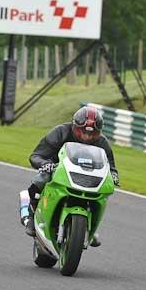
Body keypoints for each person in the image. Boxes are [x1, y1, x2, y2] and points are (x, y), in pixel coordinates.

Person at [22, 105, 119, 245]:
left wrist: (114, 176)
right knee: (40, 179)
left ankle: (89, 228)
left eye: (92, 133)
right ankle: (32, 217)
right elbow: (36, 155)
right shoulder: (60, 132)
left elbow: (111, 167)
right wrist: (45, 164)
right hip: (56, 170)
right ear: (75, 127)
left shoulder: (102, 142)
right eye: (83, 132)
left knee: (103, 191)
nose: (87, 136)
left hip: (87, 176)